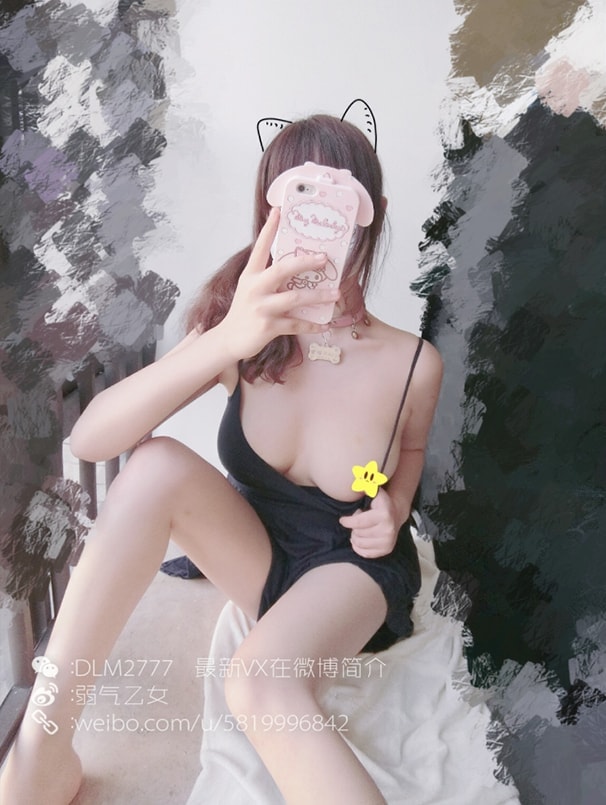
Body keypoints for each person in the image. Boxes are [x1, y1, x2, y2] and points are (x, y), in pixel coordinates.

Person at [0, 114, 443, 805]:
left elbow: (409, 450)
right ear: (271, 210)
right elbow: (90, 442)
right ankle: (41, 755)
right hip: (257, 553)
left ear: (371, 215)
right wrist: (228, 338)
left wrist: (396, 506)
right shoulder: (241, 331)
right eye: (300, 203)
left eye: (336, 207)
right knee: (153, 465)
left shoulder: (413, 362)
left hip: (350, 570)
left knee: (258, 678)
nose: (317, 232)